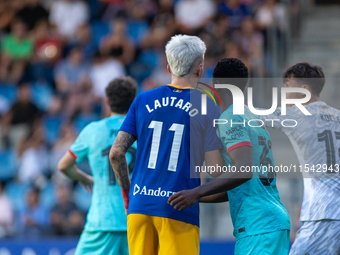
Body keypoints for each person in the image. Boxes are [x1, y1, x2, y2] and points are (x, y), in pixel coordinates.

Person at [109, 35, 223, 255]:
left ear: (169, 66)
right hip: (178, 207)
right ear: (199, 69)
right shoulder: (206, 105)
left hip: (139, 206)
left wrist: (127, 195)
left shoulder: (143, 99)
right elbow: (215, 169)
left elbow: (116, 153)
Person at [168, 58, 291, 255]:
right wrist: (195, 197)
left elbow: (243, 171)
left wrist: (197, 192)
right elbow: (239, 186)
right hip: (270, 222)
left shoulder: (230, 118)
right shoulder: (252, 118)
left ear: (215, 83)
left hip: (257, 226)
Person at [257, 62, 340, 255]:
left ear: (304, 90)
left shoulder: (296, 114)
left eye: (288, 86)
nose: (284, 91)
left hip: (323, 215)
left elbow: (250, 115)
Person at [58, 76, 138, 255]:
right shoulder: (143, 130)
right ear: (134, 101)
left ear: (107, 101)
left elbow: (63, 166)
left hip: (103, 220)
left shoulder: (92, 131)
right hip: (136, 218)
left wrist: (83, 178)